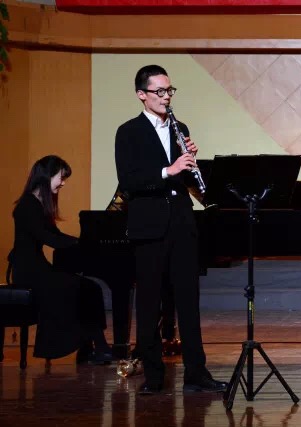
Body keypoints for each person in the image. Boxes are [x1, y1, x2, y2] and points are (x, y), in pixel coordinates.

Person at [115, 64, 226, 395]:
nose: (166, 97)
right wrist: (169, 169)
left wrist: (191, 163)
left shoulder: (181, 127)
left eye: (169, 91)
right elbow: (129, 182)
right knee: (149, 304)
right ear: (142, 95)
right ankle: (154, 376)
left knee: (189, 301)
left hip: (181, 224)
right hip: (149, 227)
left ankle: (197, 374)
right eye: (160, 91)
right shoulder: (128, 132)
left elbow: (186, 179)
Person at [9, 155, 112, 363]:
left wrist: (83, 242)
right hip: (28, 272)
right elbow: (48, 238)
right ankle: (94, 348)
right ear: (47, 176)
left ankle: (92, 349)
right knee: (79, 288)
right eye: (61, 177)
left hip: (38, 268)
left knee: (90, 288)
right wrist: (81, 243)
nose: (63, 183)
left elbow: (55, 235)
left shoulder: (38, 204)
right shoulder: (27, 205)